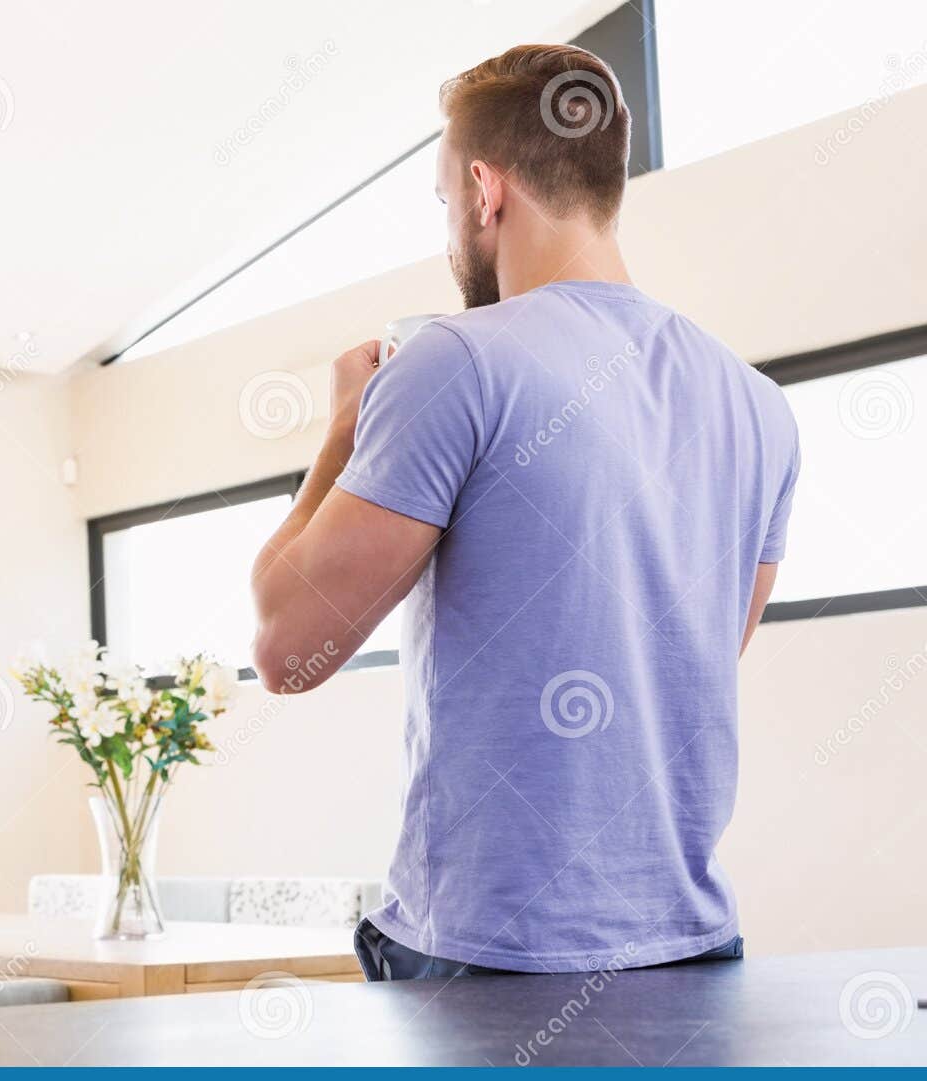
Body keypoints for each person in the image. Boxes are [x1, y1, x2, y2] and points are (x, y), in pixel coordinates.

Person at [248, 44, 800, 979]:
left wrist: (343, 429)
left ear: (482, 188)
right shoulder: (757, 401)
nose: (449, 227)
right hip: (691, 945)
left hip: (494, 955)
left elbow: (284, 649)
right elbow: (701, 646)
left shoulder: (454, 363)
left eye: (441, 202)